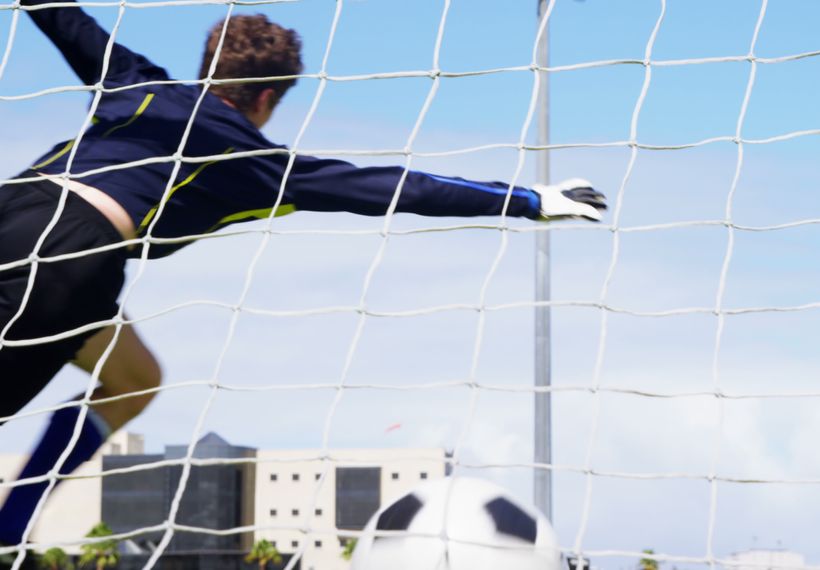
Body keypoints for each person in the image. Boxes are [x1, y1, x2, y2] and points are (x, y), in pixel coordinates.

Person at [0, 0, 606, 552]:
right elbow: (397, 188)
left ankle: (13, 521)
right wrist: (530, 199)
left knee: (135, 377)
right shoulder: (260, 164)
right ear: (268, 100)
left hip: (14, 208)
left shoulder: (140, 81)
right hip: (72, 255)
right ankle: (6, 533)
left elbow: (64, 19)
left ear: (208, 68)